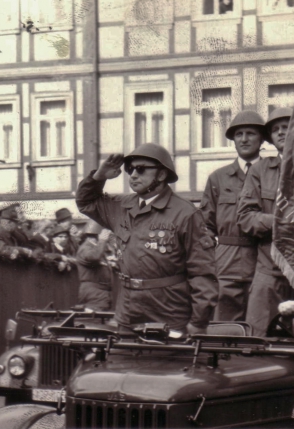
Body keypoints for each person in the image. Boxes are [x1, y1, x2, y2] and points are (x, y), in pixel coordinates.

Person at [76, 143, 217, 334]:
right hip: (128, 309)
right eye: (130, 169)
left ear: (161, 175)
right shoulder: (121, 206)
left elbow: (202, 272)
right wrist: (98, 177)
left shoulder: (185, 213)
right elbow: (86, 202)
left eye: (141, 169)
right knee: (123, 361)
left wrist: (199, 322)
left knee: (171, 362)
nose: (133, 175)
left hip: (170, 309)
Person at [201, 110, 267, 321]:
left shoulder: (274, 174)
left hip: (262, 259)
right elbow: (205, 226)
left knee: (260, 326)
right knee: (224, 328)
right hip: (226, 262)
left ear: (262, 139)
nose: (244, 139)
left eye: (251, 133)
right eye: (239, 134)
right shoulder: (218, 178)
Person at [238, 107, 294, 336]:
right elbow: (245, 217)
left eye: (286, 127)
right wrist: (279, 222)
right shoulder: (260, 170)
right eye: (275, 129)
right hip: (269, 269)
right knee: (257, 336)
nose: (281, 133)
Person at [75, 221, 113, 311]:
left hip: (98, 292)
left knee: (97, 320)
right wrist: (102, 241)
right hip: (94, 293)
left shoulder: (93, 247)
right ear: (97, 235)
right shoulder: (85, 248)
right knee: (94, 321)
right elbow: (94, 257)